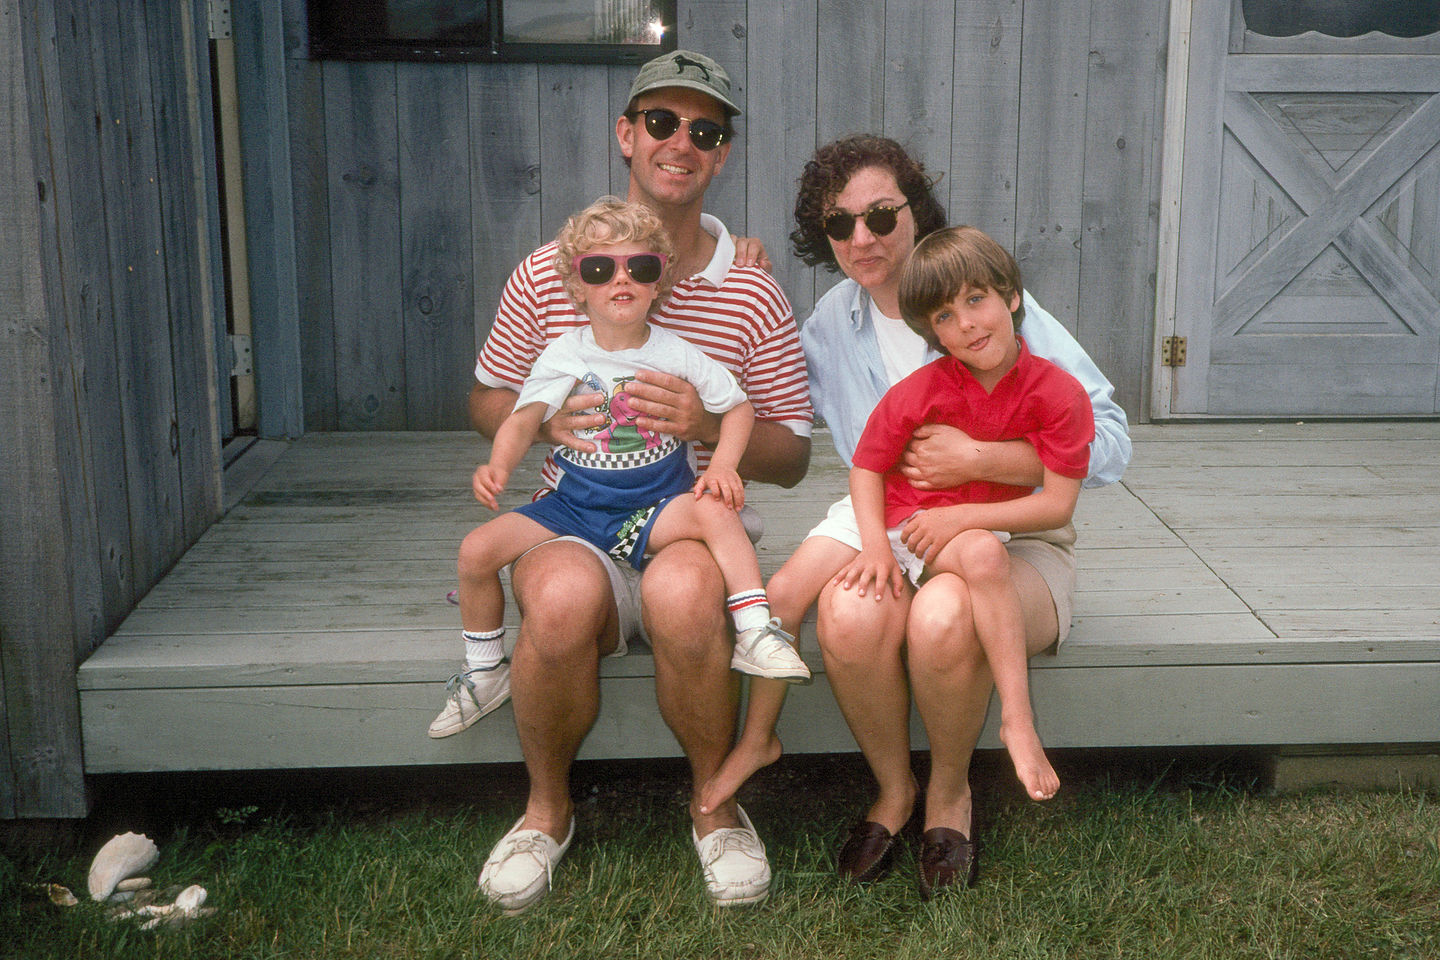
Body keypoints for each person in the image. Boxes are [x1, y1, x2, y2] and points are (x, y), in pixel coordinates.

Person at [703, 134, 1130, 898]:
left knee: (942, 615)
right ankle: (893, 788)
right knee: (845, 613)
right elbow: (785, 422)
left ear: (915, 210)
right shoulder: (831, 323)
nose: (862, 237)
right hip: (892, 519)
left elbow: (1112, 444)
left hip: (1013, 529)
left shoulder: (983, 300)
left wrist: (981, 461)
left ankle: (951, 794)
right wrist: (723, 268)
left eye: (880, 214)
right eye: (840, 226)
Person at [456, 50, 813, 915]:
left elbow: (795, 452)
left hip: (689, 520)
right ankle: (546, 811)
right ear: (627, 135)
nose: (680, 141)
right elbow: (484, 394)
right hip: (575, 511)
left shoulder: (752, 288)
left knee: (690, 592)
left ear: (721, 154)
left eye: (705, 130)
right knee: (566, 596)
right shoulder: (554, 270)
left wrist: (702, 427)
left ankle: (716, 806)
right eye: (661, 121)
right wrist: (537, 420)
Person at [446, 198, 809, 750]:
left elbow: (739, 408)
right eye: (600, 268)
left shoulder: (676, 353)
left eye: (641, 268)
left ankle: (757, 628)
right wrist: (498, 465)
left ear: (659, 281)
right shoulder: (561, 355)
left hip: (654, 506)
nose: (622, 279)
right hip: (572, 507)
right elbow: (522, 420)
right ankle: (484, 668)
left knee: (716, 510)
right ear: (576, 283)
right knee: (475, 551)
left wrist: (725, 467)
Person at [839, 224, 1093, 807]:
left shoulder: (1059, 394)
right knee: (953, 570)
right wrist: (881, 543)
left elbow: (1057, 504)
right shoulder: (922, 390)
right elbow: (867, 465)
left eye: (976, 300)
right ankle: (905, 786)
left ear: (1011, 296)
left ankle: (1006, 734)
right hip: (927, 535)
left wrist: (961, 518)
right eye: (945, 317)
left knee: (959, 588)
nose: (967, 325)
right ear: (931, 330)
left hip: (1013, 541)